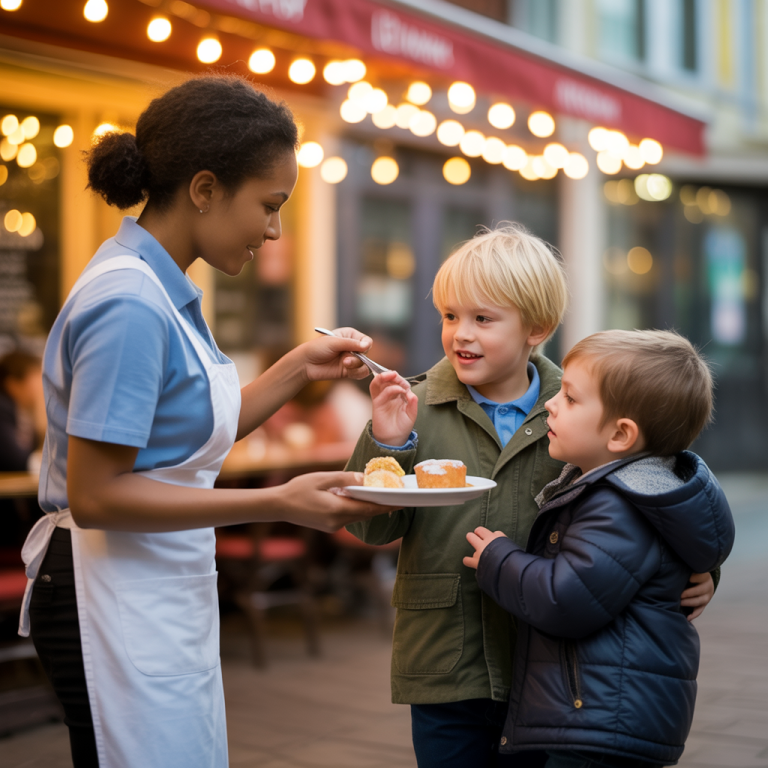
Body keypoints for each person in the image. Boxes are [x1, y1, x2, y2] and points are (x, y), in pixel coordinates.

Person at [18, 74, 395, 768]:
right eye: (270, 205)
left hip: (149, 586)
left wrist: (297, 367)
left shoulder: (160, 286)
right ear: (204, 189)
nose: (275, 229)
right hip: (107, 594)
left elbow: (188, 437)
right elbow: (97, 496)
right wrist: (280, 501)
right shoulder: (130, 303)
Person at [345, 225, 717, 768]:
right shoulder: (412, 405)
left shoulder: (580, 409)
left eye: (483, 319)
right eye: (450, 315)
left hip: (555, 671)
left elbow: (654, 495)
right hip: (446, 663)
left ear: (536, 328)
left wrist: (700, 570)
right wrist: (390, 440)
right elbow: (369, 528)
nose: (460, 334)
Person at [465, 329, 735, 768]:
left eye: (570, 399)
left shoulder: (618, 506)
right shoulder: (640, 490)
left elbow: (566, 599)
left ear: (621, 435)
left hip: (602, 720)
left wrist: (498, 559)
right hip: (609, 712)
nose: (551, 403)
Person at [0, 349, 45, 472]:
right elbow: (19, 461)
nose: (42, 385)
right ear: (12, 384)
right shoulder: (2, 409)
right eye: (35, 377)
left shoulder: (21, 411)